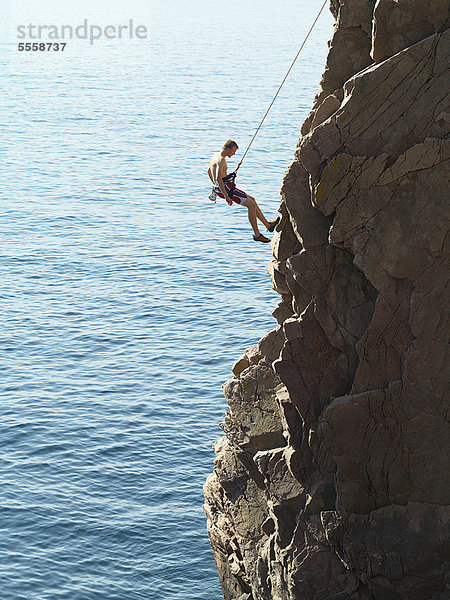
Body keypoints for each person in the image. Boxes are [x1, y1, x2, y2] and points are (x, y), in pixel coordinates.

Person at [208, 140, 279, 243]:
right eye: (233, 151)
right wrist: (226, 196)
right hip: (226, 189)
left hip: (223, 187)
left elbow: (209, 171)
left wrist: (215, 186)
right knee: (251, 205)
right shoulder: (221, 160)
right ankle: (257, 235)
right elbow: (219, 179)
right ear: (228, 149)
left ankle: (268, 225)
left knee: (252, 200)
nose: (234, 154)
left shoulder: (215, 156)